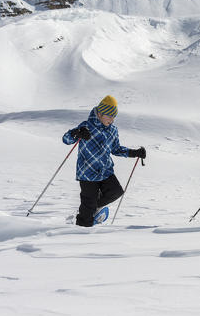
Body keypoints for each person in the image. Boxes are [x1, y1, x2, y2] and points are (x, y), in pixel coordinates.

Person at [62, 95, 146, 227]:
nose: (112, 120)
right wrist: (77, 133)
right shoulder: (86, 126)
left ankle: (90, 209)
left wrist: (134, 153)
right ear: (100, 114)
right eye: (109, 116)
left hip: (105, 171)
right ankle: (81, 228)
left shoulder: (112, 130)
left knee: (116, 192)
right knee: (87, 211)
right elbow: (66, 139)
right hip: (87, 173)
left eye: (114, 117)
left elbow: (116, 149)